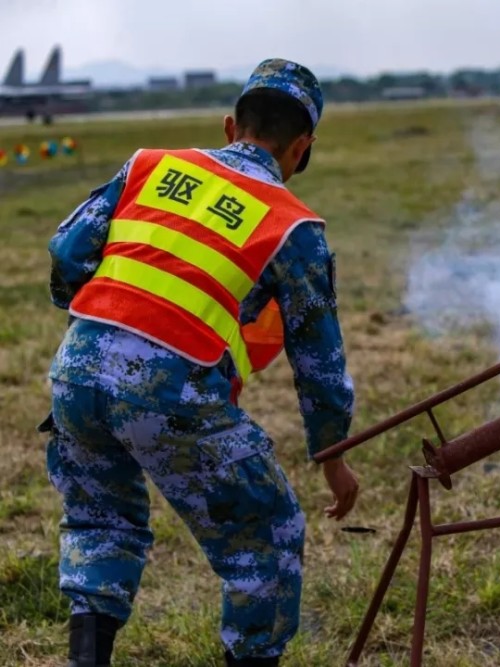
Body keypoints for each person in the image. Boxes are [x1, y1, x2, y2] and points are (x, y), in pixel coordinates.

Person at [43, 59, 359, 667]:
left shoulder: (149, 165)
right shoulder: (295, 226)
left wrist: (87, 321)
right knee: (267, 535)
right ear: (302, 147)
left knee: (99, 520)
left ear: (228, 126)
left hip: (75, 372)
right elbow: (319, 361)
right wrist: (332, 456)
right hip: (170, 393)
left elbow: (67, 247)